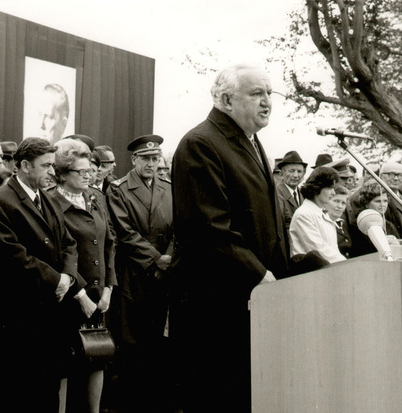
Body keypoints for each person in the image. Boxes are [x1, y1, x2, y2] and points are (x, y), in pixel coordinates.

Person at [169, 64, 288, 412]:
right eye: (257, 94)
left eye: (270, 93)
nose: (268, 102)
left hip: (253, 299)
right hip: (217, 304)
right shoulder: (201, 144)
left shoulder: (250, 142)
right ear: (225, 99)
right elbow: (210, 227)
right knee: (217, 396)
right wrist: (260, 274)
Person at [0, 138, 87, 412]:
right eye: (46, 165)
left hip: (50, 314)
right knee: (20, 392)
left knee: (47, 390)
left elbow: (69, 243)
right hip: (20, 317)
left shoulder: (46, 199)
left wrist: (68, 278)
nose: (52, 171)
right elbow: (12, 255)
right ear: (24, 166)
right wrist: (57, 279)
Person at [106, 134, 174, 412]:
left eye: (155, 158)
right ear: (134, 160)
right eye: (145, 159)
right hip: (135, 274)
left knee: (160, 342)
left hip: (165, 272)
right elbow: (124, 233)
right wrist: (156, 259)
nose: (151, 164)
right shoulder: (119, 189)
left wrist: (169, 256)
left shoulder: (169, 187)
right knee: (133, 343)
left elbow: (179, 226)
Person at [49, 139, 117, 413]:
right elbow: (58, 254)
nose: (89, 175)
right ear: (62, 174)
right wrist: (81, 295)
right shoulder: (51, 202)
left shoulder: (96, 198)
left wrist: (109, 288)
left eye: (90, 170)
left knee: (97, 356)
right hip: (70, 297)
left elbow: (110, 243)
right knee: (64, 364)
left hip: (100, 297)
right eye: (81, 171)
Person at [289, 166, 346, 263]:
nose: (333, 193)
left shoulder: (320, 212)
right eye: (329, 188)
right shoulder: (303, 214)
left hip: (329, 269)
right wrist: (346, 263)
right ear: (317, 187)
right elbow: (319, 250)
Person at [349, 180, 401, 257]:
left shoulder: (389, 225)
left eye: (385, 201)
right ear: (366, 203)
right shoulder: (358, 225)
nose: (382, 205)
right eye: (378, 201)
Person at [275, 150, 307, 238]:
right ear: (282, 174)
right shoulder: (276, 194)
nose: (296, 175)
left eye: (299, 171)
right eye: (292, 171)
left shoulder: (303, 195)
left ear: (304, 174)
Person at [326, 184, 353, 259]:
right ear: (326, 201)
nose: (340, 206)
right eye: (336, 201)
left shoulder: (343, 223)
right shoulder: (322, 223)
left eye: (343, 203)